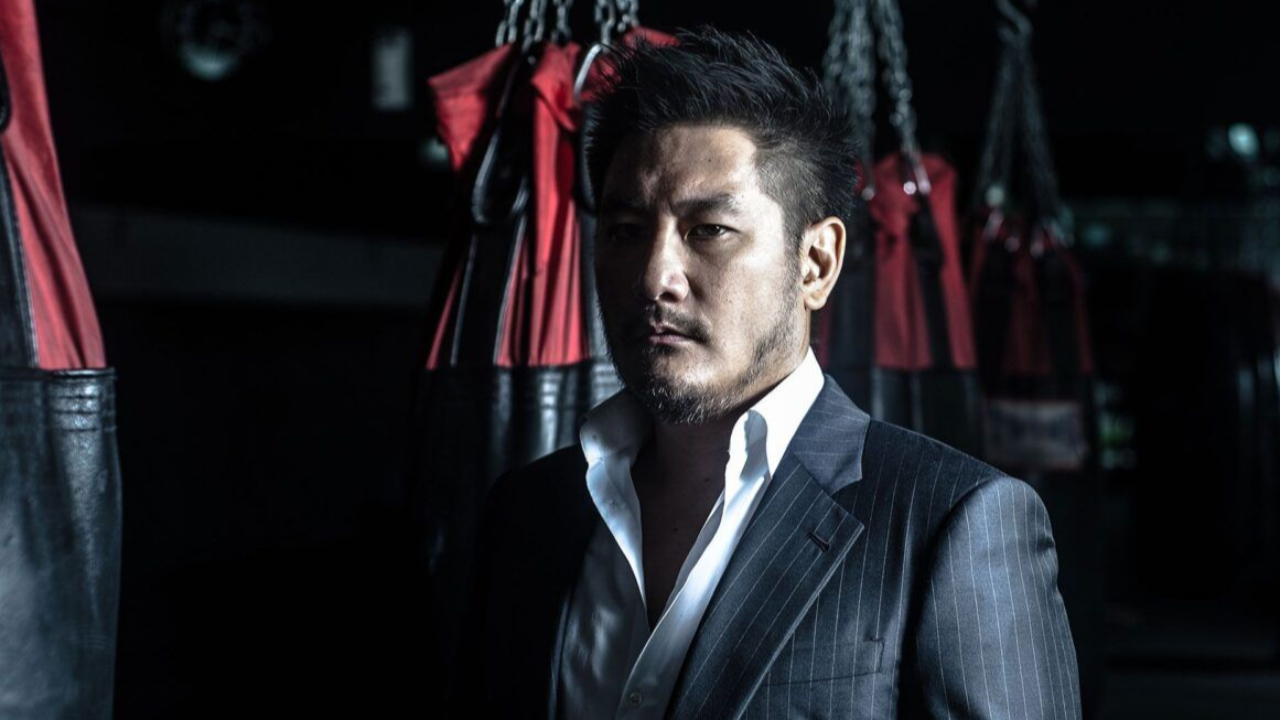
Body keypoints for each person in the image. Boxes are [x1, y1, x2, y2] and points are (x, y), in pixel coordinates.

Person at [456, 27, 1081, 720]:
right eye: (626, 230)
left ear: (815, 264)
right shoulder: (526, 513)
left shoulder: (950, 522)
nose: (655, 278)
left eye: (708, 231)